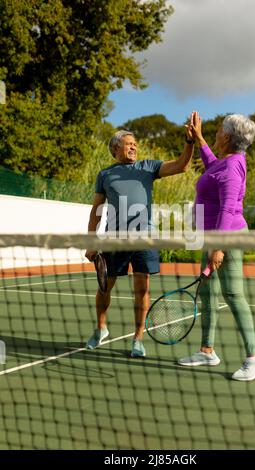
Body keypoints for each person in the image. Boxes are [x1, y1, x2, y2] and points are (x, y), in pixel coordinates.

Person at [85, 115, 196, 357]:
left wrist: (189, 141)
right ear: (116, 148)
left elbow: (181, 166)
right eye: (129, 143)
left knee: (142, 288)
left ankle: (138, 339)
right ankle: (101, 328)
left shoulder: (148, 167)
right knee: (105, 287)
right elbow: (96, 211)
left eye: (135, 143)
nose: (134, 146)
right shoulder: (104, 175)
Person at [178, 112, 255, 381]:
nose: (216, 133)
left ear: (227, 137)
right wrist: (200, 137)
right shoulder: (225, 163)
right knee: (208, 294)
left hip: (226, 237)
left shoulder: (231, 167)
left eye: (218, 130)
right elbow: (212, 167)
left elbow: (229, 208)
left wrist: (219, 247)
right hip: (212, 236)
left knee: (232, 293)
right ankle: (207, 351)